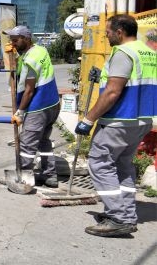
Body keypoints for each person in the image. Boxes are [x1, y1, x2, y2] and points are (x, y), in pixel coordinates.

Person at [74, 14, 156, 237]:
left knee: (100, 163)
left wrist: (88, 119)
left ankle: (118, 216)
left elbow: (112, 92)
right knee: (123, 165)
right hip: (141, 120)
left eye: (108, 32)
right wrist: (103, 75)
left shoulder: (122, 52)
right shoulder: (148, 51)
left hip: (119, 119)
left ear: (120, 32)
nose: (106, 36)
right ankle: (127, 214)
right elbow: (133, 80)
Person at [4, 25, 61, 188]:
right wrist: (13, 56)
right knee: (44, 141)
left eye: (16, 40)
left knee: (26, 144)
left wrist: (20, 112)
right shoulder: (40, 50)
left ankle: (22, 177)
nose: (13, 44)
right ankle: (50, 175)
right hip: (52, 103)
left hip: (38, 106)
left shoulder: (30, 59)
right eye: (11, 41)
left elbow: (29, 90)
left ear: (27, 39)